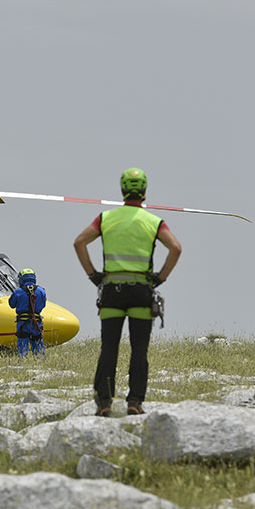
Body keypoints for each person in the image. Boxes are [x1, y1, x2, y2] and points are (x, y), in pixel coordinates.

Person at [74, 168, 182, 416]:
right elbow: (175, 248)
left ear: (122, 190)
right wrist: (160, 278)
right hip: (141, 292)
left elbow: (79, 242)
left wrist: (93, 275)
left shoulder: (106, 218)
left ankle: (104, 403)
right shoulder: (154, 222)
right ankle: (134, 402)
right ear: (145, 191)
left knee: (109, 348)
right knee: (139, 350)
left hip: (112, 290)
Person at [8, 268, 47, 358]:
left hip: (23, 323)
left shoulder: (18, 291)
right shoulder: (41, 291)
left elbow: (12, 304)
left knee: (22, 346)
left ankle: (23, 362)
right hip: (36, 322)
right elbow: (43, 305)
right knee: (38, 344)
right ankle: (40, 363)